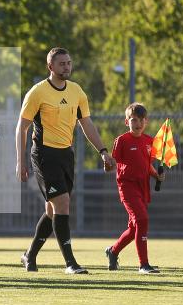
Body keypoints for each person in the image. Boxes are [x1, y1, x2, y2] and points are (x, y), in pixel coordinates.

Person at [15, 47, 116, 274]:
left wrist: (103, 151)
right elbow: (22, 128)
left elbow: (86, 123)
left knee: (53, 211)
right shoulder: (37, 92)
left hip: (65, 155)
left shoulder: (77, 91)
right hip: (44, 155)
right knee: (62, 204)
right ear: (50, 66)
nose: (67, 67)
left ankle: (29, 255)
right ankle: (70, 263)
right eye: (62, 63)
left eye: (69, 63)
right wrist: (20, 162)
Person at [104, 103, 165, 274]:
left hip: (142, 187)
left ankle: (113, 251)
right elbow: (112, 165)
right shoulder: (122, 140)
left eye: (141, 120)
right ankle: (143, 265)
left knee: (134, 228)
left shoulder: (149, 141)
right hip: (127, 187)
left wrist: (156, 175)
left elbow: (146, 165)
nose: (138, 123)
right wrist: (107, 165)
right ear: (127, 122)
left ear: (146, 121)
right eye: (134, 120)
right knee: (142, 220)